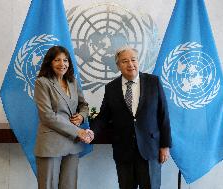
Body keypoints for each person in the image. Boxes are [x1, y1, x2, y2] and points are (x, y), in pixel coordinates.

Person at [92, 46, 171, 189]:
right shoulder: (111, 88)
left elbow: (163, 115)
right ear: (118, 65)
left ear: (138, 61)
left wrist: (165, 145)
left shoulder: (153, 82)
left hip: (150, 149)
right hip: (124, 151)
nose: (130, 64)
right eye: (124, 61)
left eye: (133, 59)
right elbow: (103, 117)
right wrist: (91, 132)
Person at [34, 45, 93, 189]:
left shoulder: (72, 81)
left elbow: (84, 105)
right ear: (50, 62)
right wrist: (78, 131)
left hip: (72, 144)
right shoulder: (42, 82)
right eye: (57, 60)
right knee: (48, 186)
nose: (62, 64)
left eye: (65, 60)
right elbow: (47, 116)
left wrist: (81, 116)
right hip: (51, 143)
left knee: (69, 186)